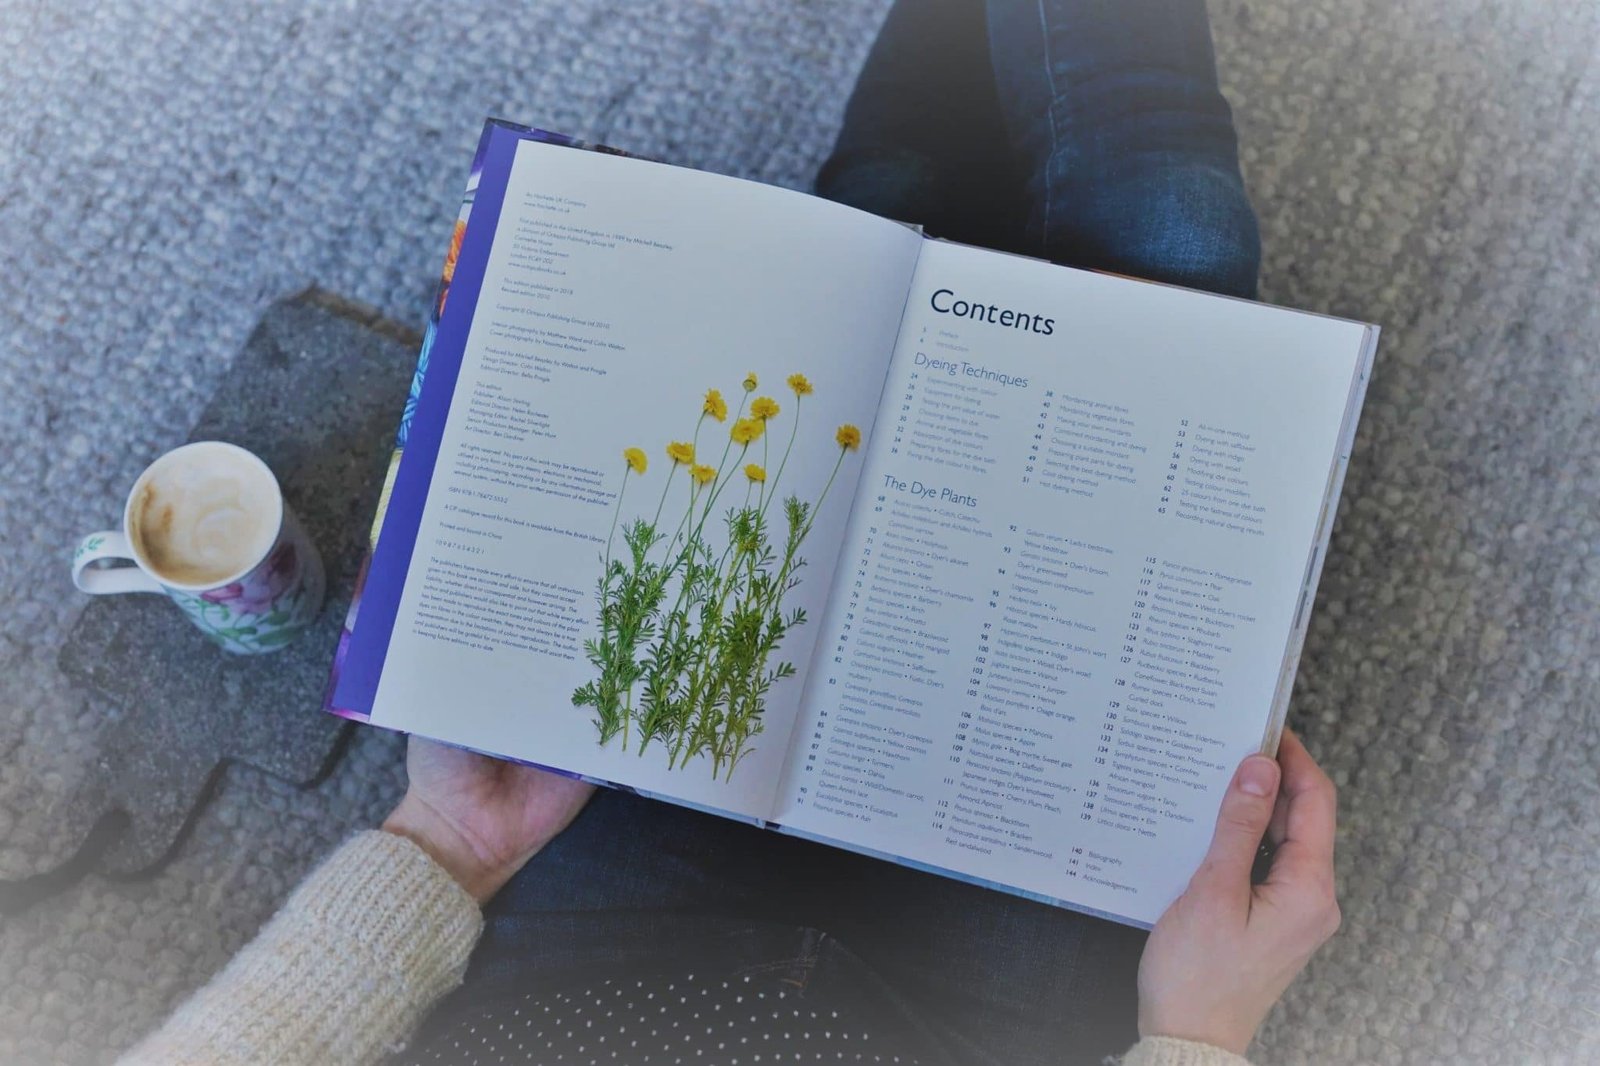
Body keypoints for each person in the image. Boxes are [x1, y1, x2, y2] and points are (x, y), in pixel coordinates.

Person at [121, 2, 1338, 1063]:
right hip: (964, 1030)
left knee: (867, 244)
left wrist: (441, 843)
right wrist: (1199, 1037)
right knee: (1178, 238)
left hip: (585, 953)